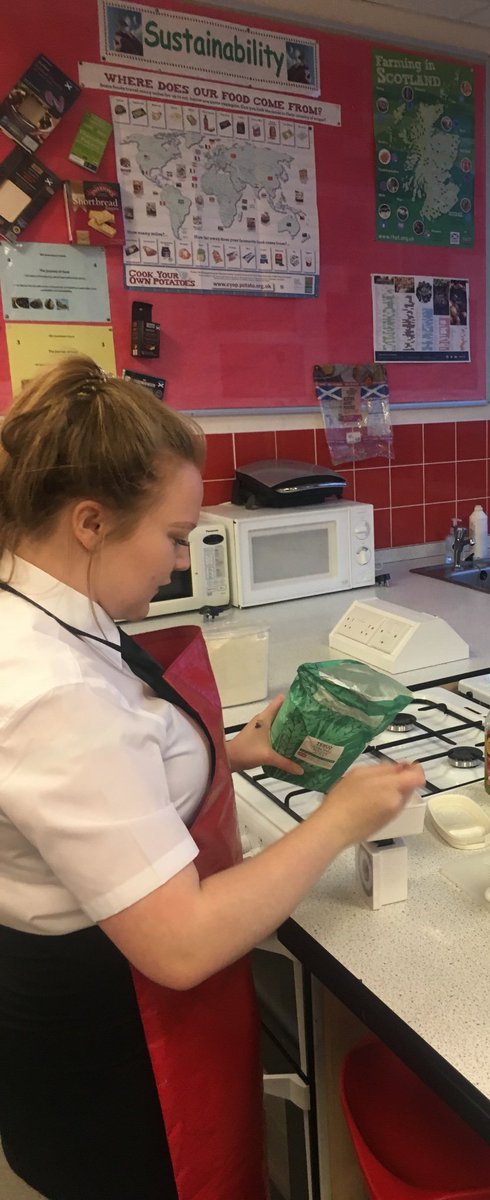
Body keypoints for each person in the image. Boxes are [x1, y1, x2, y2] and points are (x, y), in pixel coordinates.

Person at [0, 357, 424, 1200]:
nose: (177, 562)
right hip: (109, 1041)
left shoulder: (39, 610)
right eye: (171, 536)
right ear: (90, 522)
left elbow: (90, 786)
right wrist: (336, 821)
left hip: (75, 1008)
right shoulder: (55, 693)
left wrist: (229, 751)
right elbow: (182, 943)